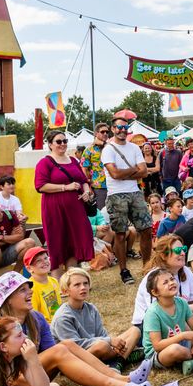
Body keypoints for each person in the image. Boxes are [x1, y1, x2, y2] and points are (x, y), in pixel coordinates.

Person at [0, 272, 151, 386]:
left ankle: (123, 379)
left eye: (29, 288)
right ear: (8, 299)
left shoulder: (36, 318)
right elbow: (7, 378)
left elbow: (52, 354)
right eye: (22, 290)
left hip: (36, 375)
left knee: (66, 345)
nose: (31, 292)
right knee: (65, 347)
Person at [134, 234, 193, 334]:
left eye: (184, 249)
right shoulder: (154, 277)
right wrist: (191, 308)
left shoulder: (185, 271)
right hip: (152, 325)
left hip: (178, 319)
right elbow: (158, 312)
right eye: (177, 251)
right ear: (164, 256)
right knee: (181, 320)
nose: (182, 253)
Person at [34, 130, 95, 273]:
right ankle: (58, 280)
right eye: (58, 142)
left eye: (65, 141)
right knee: (58, 242)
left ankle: (71, 278)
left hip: (76, 209)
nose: (63, 144)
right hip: (55, 209)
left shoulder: (73, 160)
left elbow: (83, 180)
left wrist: (86, 191)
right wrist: (65, 187)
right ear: (50, 144)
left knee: (74, 241)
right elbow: (40, 186)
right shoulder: (45, 162)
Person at [102, 116, 154, 283]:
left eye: (125, 128)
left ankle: (147, 268)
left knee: (146, 229)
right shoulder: (108, 149)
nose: (122, 130)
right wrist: (133, 171)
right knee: (120, 234)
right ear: (113, 129)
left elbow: (144, 172)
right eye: (119, 127)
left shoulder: (134, 148)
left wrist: (125, 173)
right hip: (116, 195)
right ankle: (124, 270)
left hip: (135, 192)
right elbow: (114, 174)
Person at [52, 268, 141, 364]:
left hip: (97, 347)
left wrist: (112, 344)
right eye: (77, 285)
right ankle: (124, 356)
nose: (83, 287)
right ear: (65, 291)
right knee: (102, 346)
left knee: (135, 330)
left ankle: (118, 362)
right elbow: (75, 346)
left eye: (85, 283)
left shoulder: (91, 308)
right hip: (75, 358)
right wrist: (109, 341)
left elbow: (101, 334)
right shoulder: (63, 317)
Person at [142, 269, 193, 375]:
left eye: (172, 279)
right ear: (155, 292)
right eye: (165, 282)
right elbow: (157, 346)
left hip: (182, 344)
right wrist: (182, 336)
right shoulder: (152, 312)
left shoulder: (181, 303)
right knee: (175, 349)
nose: (171, 283)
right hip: (160, 353)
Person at [23, 248, 61, 323]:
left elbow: (58, 305)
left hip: (59, 320)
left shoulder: (53, 281)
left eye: (46, 258)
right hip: (45, 326)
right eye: (38, 261)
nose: (44, 262)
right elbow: (34, 316)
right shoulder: (31, 288)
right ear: (29, 268)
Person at [80, 123, 110, 211]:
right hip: (99, 186)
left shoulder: (110, 147)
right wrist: (88, 187)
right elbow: (84, 169)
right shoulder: (89, 149)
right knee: (102, 212)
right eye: (102, 132)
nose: (105, 134)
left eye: (107, 132)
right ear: (96, 134)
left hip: (114, 185)